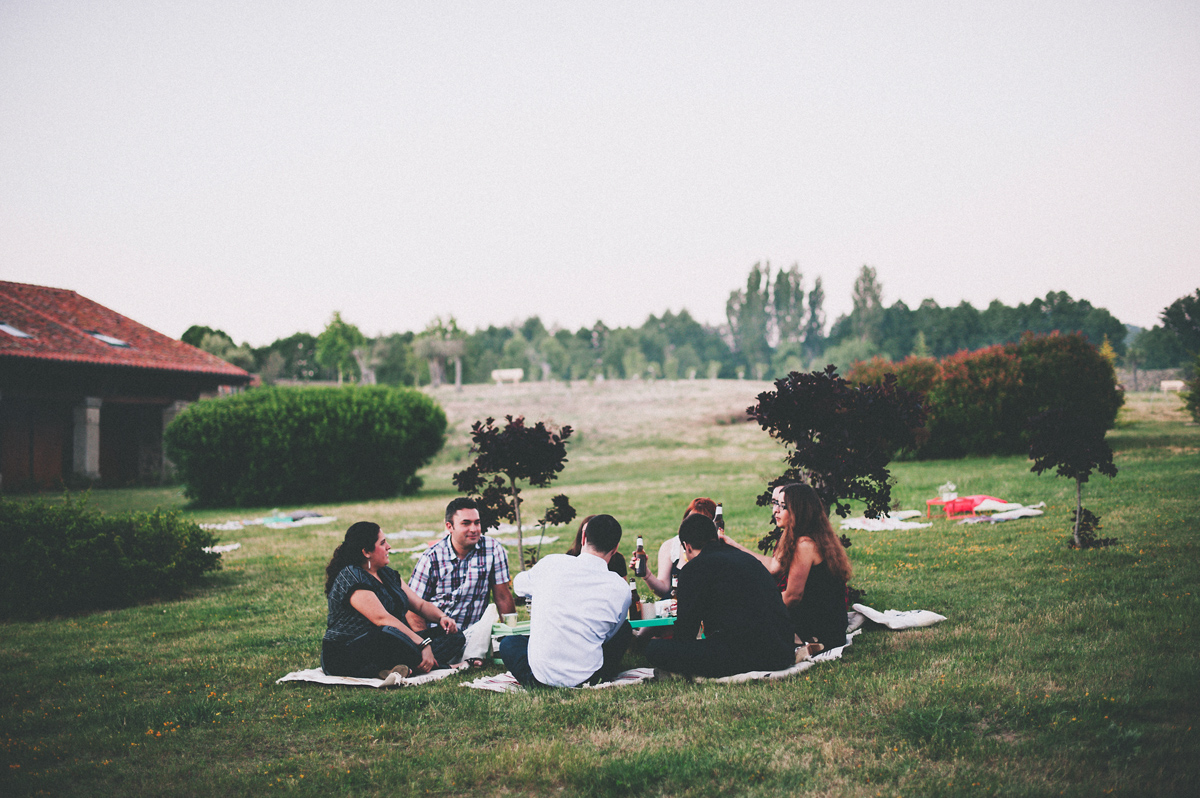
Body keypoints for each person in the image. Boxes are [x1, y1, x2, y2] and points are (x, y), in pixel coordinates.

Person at [644, 513, 795, 678]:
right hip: (783, 651)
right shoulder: (747, 559)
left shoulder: (694, 569)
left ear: (687, 547)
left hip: (745, 654)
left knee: (654, 648)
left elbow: (685, 632)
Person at [499, 514, 633, 687]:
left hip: (541, 678)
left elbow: (518, 586)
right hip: (591, 677)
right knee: (624, 628)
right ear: (615, 548)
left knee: (509, 643)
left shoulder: (551, 563)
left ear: (583, 537)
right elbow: (609, 635)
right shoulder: (621, 588)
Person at [322, 521, 465, 678]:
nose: (388, 546)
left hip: (391, 643)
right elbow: (382, 619)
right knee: (387, 634)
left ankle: (401, 667)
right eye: (382, 543)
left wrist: (442, 618)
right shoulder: (351, 577)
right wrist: (423, 644)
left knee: (454, 635)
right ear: (366, 552)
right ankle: (416, 664)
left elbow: (420, 605)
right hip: (346, 652)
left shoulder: (387, 574)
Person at [723, 483, 852, 651]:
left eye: (783, 506)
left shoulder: (804, 544)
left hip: (823, 631)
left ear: (798, 511)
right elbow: (773, 566)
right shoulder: (800, 534)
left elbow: (792, 597)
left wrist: (758, 610)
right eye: (776, 504)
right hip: (824, 623)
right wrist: (734, 546)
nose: (775, 510)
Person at [407, 498, 517, 640]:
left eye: (477, 523)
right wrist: (426, 645)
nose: (474, 529)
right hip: (438, 634)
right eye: (466, 523)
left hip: (475, 634)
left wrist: (511, 636)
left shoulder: (493, 549)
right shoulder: (431, 557)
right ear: (449, 527)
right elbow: (413, 609)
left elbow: (502, 597)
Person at [641, 497, 716, 598]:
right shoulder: (671, 547)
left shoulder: (719, 547)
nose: (695, 527)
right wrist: (647, 574)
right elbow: (664, 590)